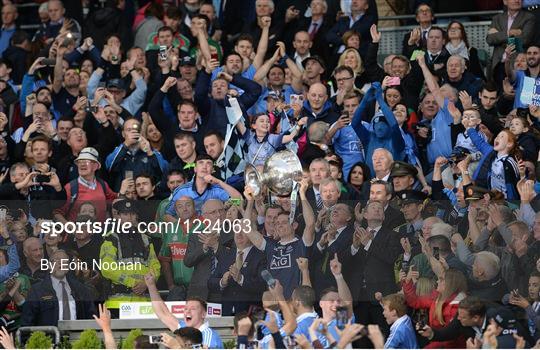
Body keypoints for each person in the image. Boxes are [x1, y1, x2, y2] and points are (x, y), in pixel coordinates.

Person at [144, 273, 224, 349]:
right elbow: (163, 313)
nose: (188, 311)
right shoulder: (183, 328)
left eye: (193, 308)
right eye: (186, 308)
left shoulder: (210, 336)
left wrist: (176, 346)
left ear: (203, 314)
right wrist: (151, 286)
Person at [21, 250, 96, 326]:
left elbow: (91, 316)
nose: (61, 263)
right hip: (49, 336)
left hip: (76, 336)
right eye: (56, 260)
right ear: (49, 266)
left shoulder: (80, 289)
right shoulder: (36, 290)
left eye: (64, 261)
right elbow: (27, 321)